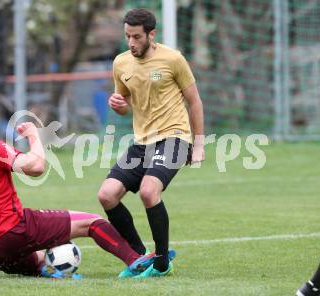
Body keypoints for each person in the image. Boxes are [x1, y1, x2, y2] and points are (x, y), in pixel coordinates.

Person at [0, 102, 165, 278]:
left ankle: (52, 271)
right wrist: (33, 136)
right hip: (13, 231)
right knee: (92, 222)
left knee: (42, 261)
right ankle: (135, 260)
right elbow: (37, 167)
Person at [97, 8, 205, 278]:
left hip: (174, 137)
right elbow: (124, 106)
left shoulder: (173, 59)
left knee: (148, 192)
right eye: (127, 36)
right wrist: (117, 104)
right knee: (107, 195)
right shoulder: (121, 63)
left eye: (136, 37)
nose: (131, 43)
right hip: (142, 142)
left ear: (151, 35)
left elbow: (194, 101)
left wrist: (199, 144)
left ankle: (161, 263)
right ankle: (138, 255)